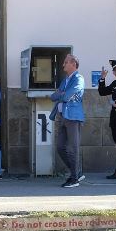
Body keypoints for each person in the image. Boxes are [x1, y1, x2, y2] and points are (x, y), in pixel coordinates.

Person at [49, 54, 85, 188]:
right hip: (63, 116)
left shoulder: (78, 79)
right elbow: (54, 96)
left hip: (73, 116)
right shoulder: (65, 80)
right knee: (60, 147)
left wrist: (62, 94)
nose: (63, 65)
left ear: (73, 64)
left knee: (72, 148)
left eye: (65, 62)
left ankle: (74, 178)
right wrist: (62, 94)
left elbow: (69, 95)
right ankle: (76, 172)